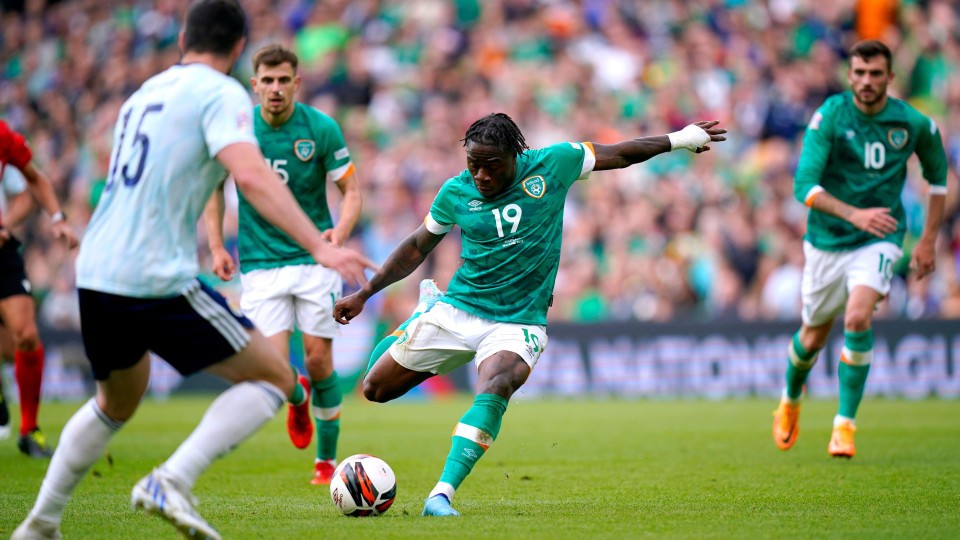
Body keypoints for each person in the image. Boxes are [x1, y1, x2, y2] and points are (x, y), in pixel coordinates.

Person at [13, 1, 373, 539]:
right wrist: (318, 247)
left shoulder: (146, 92)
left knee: (115, 402)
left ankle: (40, 523)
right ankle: (172, 480)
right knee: (277, 379)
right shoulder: (221, 93)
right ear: (235, 50)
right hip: (154, 276)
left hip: (97, 269)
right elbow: (249, 178)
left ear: (183, 37)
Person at [334, 112, 726, 516]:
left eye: (491, 166)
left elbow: (622, 153)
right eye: (474, 165)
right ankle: (420, 319)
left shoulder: (554, 163)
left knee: (497, 383)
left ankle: (441, 495)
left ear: (515, 156)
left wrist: (680, 139)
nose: (481, 176)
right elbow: (417, 246)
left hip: (518, 321)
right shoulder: (455, 192)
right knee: (375, 390)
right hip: (459, 309)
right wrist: (365, 293)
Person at [772, 40, 947, 459]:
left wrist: (927, 241)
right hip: (827, 240)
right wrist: (854, 215)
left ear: (889, 77)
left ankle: (844, 426)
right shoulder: (830, 116)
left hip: (880, 236)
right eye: (860, 73)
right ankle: (790, 397)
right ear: (850, 76)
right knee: (812, 336)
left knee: (856, 315)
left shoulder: (913, 124)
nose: (867, 81)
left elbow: (938, 179)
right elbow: (804, 187)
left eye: (875, 74)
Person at [204, 43, 363, 485]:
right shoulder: (237, 132)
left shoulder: (321, 128)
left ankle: (326, 463)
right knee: (274, 374)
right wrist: (217, 245)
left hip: (314, 261)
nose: (275, 89)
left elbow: (351, 190)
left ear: (297, 82)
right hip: (259, 263)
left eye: (283, 80)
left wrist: (341, 232)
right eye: (267, 81)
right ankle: (297, 399)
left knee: (317, 361)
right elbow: (214, 190)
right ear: (254, 85)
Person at [0, 119, 78, 458]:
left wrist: (58, 218)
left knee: (26, 335)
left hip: (2, 253)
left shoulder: (3, 135)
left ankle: (29, 430)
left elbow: (34, 180)